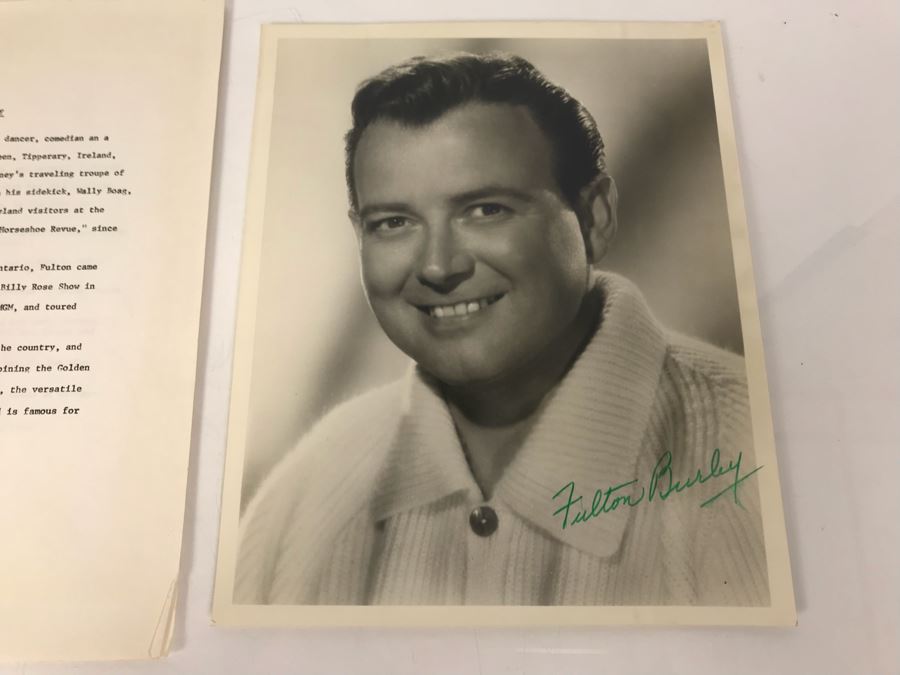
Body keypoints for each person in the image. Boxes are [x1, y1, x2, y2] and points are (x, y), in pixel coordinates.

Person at [235, 52, 770, 607]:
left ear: (595, 219)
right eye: (393, 223)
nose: (438, 267)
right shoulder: (308, 488)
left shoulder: (748, 454)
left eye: (485, 211)